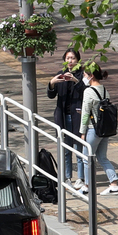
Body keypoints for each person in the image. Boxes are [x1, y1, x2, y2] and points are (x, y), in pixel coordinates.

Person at [47, 49, 86, 190]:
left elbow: (86, 91)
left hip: (78, 116)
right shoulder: (60, 75)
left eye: (73, 58)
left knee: (79, 149)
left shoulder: (82, 75)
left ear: (78, 60)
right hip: (63, 117)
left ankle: (81, 178)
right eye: (68, 58)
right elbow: (51, 95)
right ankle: (67, 177)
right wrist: (52, 83)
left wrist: (76, 81)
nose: (70, 61)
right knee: (66, 150)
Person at [79, 66, 118, 196]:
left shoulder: (88, 92)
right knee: (102, 157)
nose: (83, 77)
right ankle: (113, 184)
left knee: (87, 158)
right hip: (104, 129)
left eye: (85, 74)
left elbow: (85, 114)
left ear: (91, 76)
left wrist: (82, 132)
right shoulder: (104, 90)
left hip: (93, 129)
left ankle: (87, 186)